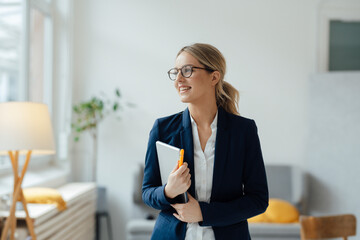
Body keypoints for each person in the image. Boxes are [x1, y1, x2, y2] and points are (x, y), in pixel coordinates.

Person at [142, 43, 268, 240]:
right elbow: (147, 192)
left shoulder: (243, 131)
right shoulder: (163, 129)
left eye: (187, 70)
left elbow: (258, 200)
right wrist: (168, 191)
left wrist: (203, 213)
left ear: (214, 77)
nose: (179, 80)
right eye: (175, 72)